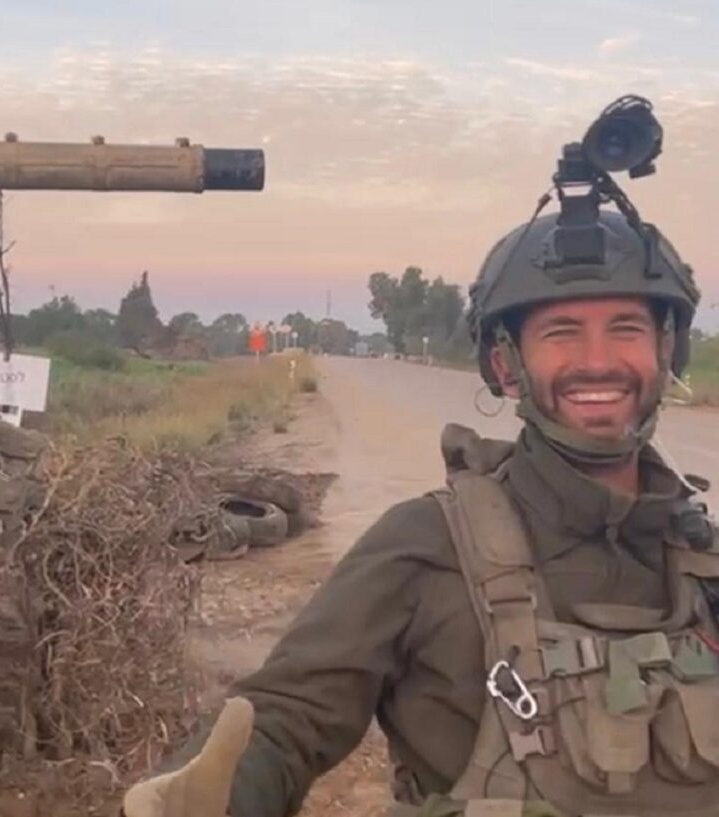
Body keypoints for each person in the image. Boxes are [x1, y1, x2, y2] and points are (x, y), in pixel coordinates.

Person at [123, 202, 718, 817]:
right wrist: (203, 797)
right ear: (505, 365)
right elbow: (286, 718)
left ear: (665, 353)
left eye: (626, 328)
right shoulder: (429, 543)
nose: (597, 361)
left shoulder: (704, 561)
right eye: (561, 332)